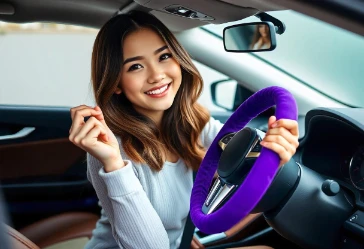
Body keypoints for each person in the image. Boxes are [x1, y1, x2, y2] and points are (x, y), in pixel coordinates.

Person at [68, 10, 299, 249]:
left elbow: (240, 154)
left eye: (164, 56)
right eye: (136, 66)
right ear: (116, 83)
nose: (157, 75)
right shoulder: (109, 148)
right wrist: (114, 165)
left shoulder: (192, 120)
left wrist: (276, 152)